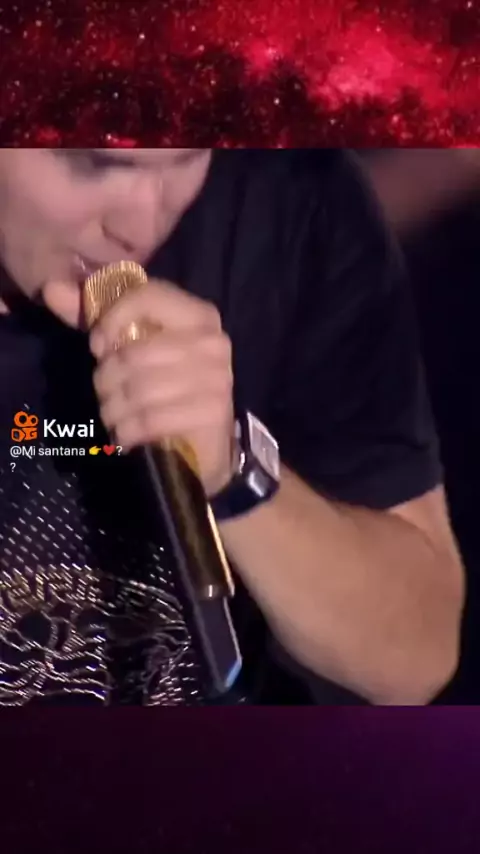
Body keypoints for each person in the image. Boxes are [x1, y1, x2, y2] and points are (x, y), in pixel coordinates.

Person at [0, 148, 464, 706]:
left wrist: (232, 473)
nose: (141, 225)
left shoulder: (289, 203)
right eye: (97, 164)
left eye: (187, 158)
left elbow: (417, 658)